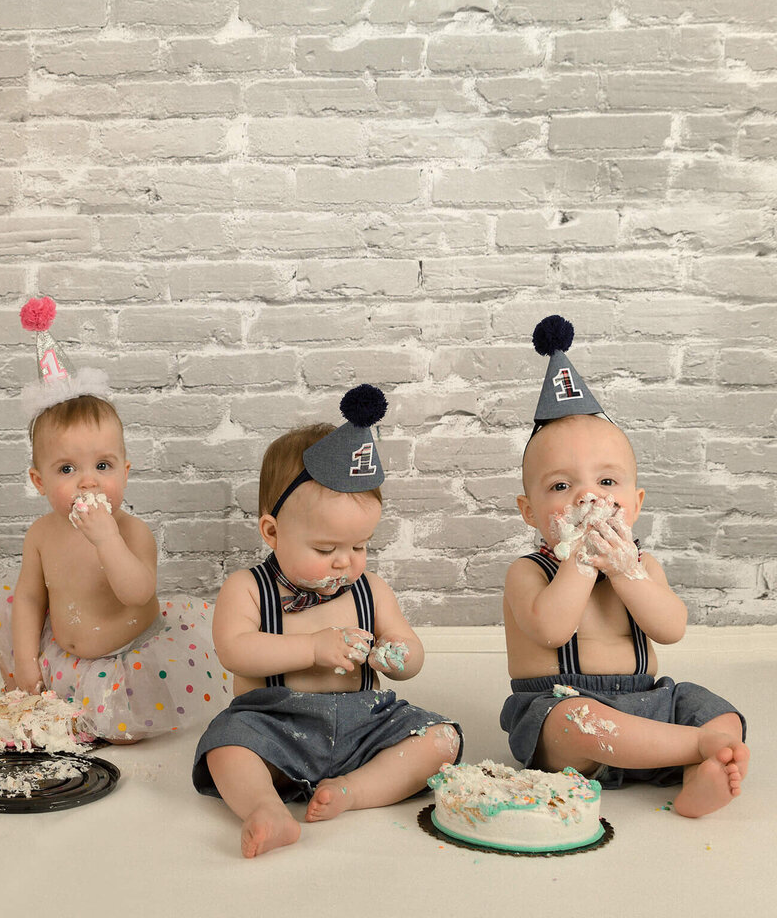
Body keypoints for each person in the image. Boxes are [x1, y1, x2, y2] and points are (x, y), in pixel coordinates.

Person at [192, 385, 461, 857]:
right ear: (272, 531)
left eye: (359, 546)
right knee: (225, 745)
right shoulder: (248, 588)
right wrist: (313, 647)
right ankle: (264, 807)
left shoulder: (370, 590)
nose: (346, 563)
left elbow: (409, 651)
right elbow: (235, 649)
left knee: (442, 740)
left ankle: (354, 790)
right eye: (325, 549)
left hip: (365, 724)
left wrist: (396, 654)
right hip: (274, 723)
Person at [501, 315, 747, 818]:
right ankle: (694, 750)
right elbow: (550, 628)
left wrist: (626, 572)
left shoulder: (640, 565)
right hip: (562, 711)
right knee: (578, 720)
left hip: (646, 703)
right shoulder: (528, 571)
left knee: (712, 706)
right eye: (561, 486)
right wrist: (583, 563)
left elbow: (670, 627)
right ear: (529, 512)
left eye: (607, 483)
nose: (588, 496)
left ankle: (703, 761)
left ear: (633, 504)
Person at [0, 297, 224, 741]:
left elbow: (137, 593)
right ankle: (54, 700)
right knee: (42, 706)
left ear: (125, 471)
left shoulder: (132, 532)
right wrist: (25, 662)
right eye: (66, 469)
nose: (88, 483)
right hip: (66, 655)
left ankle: (108, 717)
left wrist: (106, 540)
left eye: (102, 466)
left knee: (121, 731)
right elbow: (30, 601)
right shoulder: (42, 534)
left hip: (128, 657)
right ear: (38, 481)